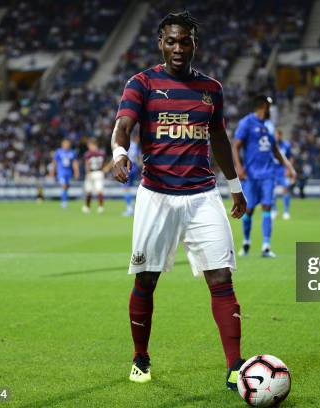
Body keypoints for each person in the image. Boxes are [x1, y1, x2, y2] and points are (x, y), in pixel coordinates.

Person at [110, 11, 248, 390]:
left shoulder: (211, 89)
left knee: (221, 277)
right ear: (160, 43)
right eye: (170, 41)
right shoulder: (142, 83)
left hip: (204, 195)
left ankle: (235, 366)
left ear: (193, 44)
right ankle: (141, 356)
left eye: (184, 41)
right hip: (156, 197)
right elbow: (123, 126)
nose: (177, 47)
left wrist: (235, 186)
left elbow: (218, 137)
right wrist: (120, 154)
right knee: (146, 280)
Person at [233, 95, 296, 258]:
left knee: (267, 207)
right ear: (262, 106)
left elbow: (275, 149)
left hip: (268, 174)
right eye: (269, 106)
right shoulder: (246, 122)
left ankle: (266, 246)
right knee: (249, 210)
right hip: (251, 175)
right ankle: (246, 242)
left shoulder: (269, 126)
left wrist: (289, 167)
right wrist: (239, 167)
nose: (271, 110)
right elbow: (236, 146)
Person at [50, 139, 79, 209]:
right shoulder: (58, 152)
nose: (66, 145)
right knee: (64, 186)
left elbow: (74, 163)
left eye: (68, 144)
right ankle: (64, 202)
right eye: (65, 144)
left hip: (69, 172)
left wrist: (76, 172)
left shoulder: (72, 153)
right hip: (61, 172)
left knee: (66, 187)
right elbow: (54, 162)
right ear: (62, 145)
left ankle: (64, 198)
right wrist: (52, 171)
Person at [272, 128, 293, 220]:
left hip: (283, 171)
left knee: (286, 190)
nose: (277, 137)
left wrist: (289, 169)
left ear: (281, 135)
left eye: (278, 135)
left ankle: (286, 211)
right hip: (273, 171)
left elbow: (291, 158)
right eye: (275, 135)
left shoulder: (286, 145)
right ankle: (274, 210)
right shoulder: (270, 145)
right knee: (271, 191)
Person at [82, 139, 107, 214]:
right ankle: (100, 207)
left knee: (90, 190)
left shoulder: (88, 154)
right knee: (98, 190)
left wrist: (87, 172)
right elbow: (105, 163)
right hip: (99, 172)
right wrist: (105, 169)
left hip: (92, 172)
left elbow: (87, 164)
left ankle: (88, 207)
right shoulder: (102, 153)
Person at [121, 134, 141, 216]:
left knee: (126, 188)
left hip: (127, 168)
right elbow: (139, 158)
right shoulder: (136, 146)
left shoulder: (126, 146)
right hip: (135, 168)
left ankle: (129, 208)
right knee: (135, 188)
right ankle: (137, 207)